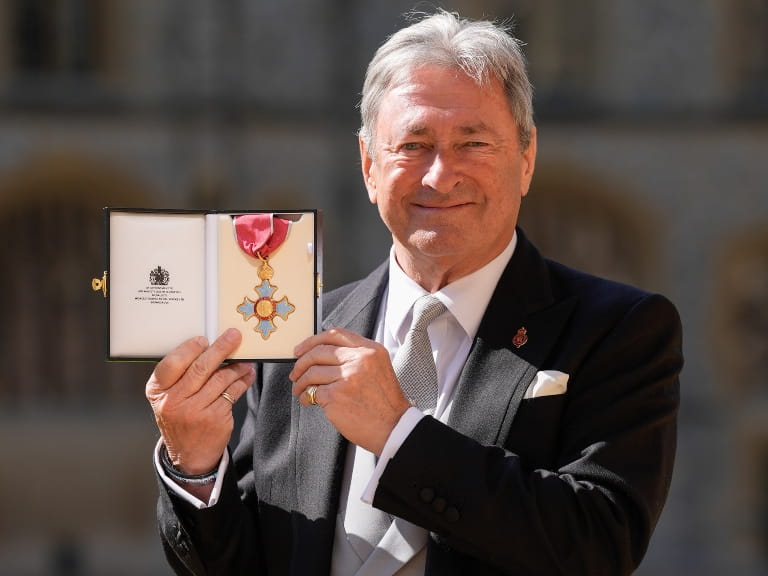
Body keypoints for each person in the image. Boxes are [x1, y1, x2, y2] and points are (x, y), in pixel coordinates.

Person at [146, 9, 682, 576]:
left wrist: (398, 433)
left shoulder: (621, 329)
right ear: (369, 166)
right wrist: (196, 463)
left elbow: (600, 544)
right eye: (413, 145)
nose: (439, 174)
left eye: (474, 143)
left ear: (526, 161)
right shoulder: (297, 331)